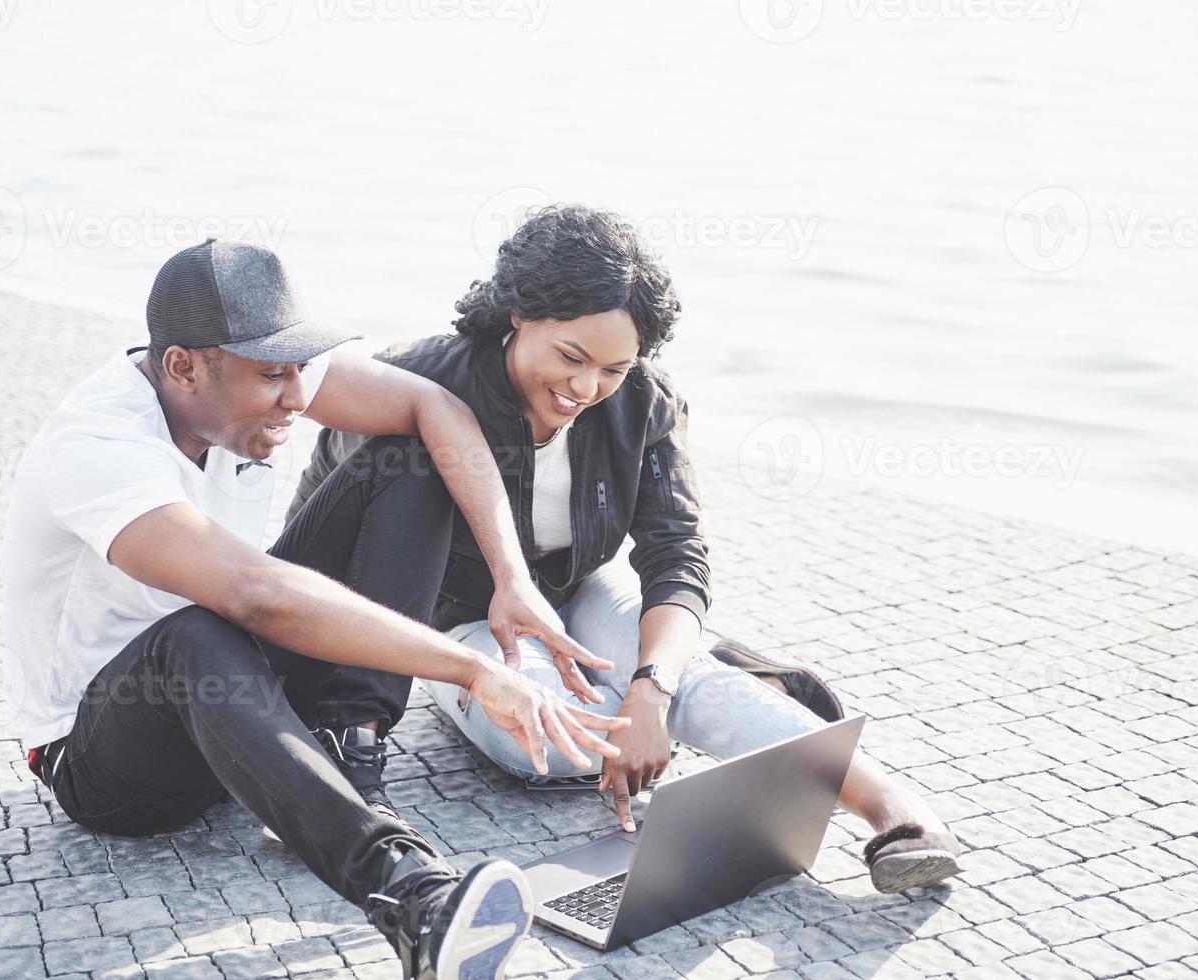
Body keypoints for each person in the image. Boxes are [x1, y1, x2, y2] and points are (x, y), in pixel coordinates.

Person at [0, 238, 632, 980]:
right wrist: (471, 670)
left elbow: (434, 405)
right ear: (182, 367)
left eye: (301, 369)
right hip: (107, 757)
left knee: (411, 451)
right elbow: (253, 596)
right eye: (273, 377)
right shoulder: (98, 447)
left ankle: (344, 743)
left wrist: (510, 577)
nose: (297, 398)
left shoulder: (252, 370)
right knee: (194, 634)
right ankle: (414, 899)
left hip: (239, 690)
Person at [288, 206, 964, 894]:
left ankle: (895, 811)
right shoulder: (418, 382)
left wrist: (652, 689)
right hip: (448, 623)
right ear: (520, 314)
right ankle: (713, 672)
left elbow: (676, 554)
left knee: (675, 686)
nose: (585, 389)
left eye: (612, 368)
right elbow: (336, 540)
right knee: (548, 746)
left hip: (574, 588)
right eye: (571, 358)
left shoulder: (644, 402)